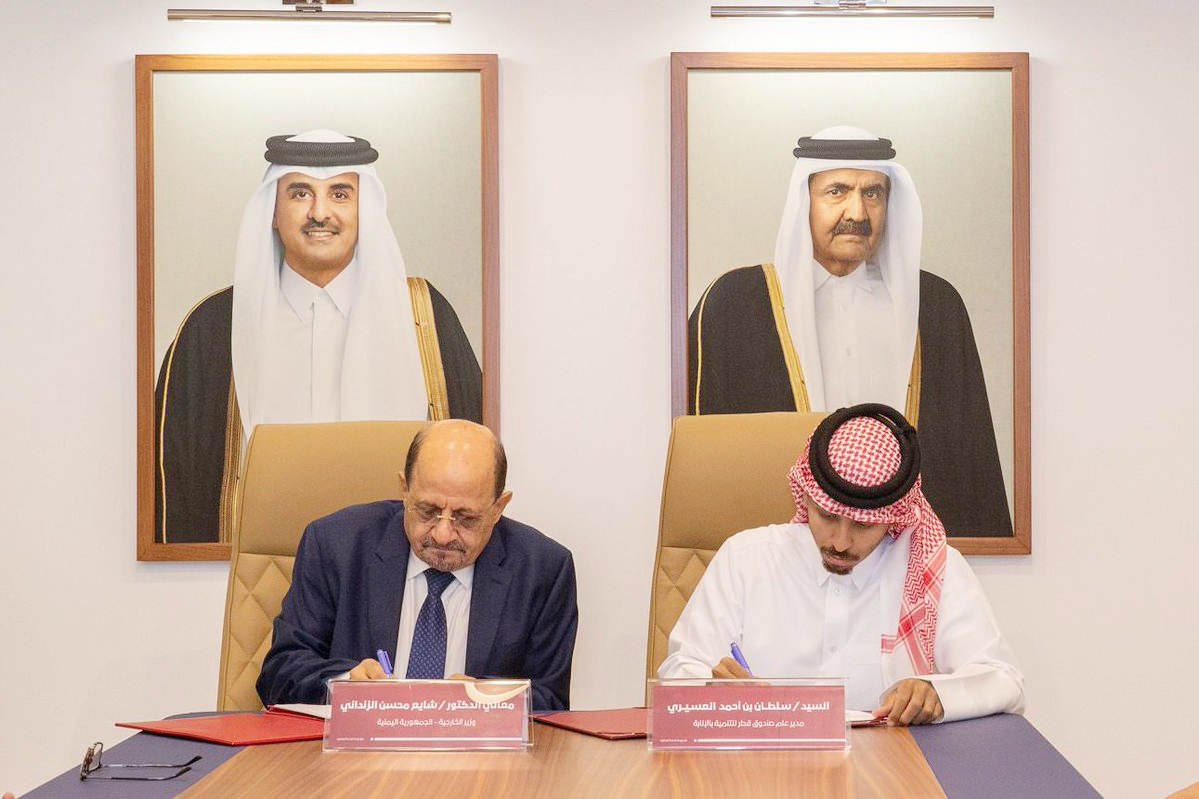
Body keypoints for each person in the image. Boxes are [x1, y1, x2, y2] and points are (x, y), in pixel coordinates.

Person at [154, 130, 482, 544]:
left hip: (395, 578)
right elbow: (171, 486)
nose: (320, 213)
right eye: (300, 193)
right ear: (272, 210)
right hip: (247, 578)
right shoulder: (213, 327)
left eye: (341, 194)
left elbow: (475, 458)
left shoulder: (425, 317)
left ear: (367, 210)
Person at [688, 126, 1011, 538]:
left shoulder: (936, 306)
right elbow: (706, 463)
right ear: (804, 202)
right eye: (837, 191)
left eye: (872, 193)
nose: (857, 214)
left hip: (908, 552)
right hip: (778, 553)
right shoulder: (734, 304)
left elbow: (973, 456)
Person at [659, 404, 1024, 726]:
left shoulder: (934, 571)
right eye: (828, 516)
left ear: (893, 517)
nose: (840, 542)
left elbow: (1003, 680)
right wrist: (712, 689)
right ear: (805, 495)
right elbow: (680, 670)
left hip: (889, 777)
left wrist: (936, 692)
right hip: (761, 773)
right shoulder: (746, 559)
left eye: (863, 525)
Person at [257, 419, 578, 712]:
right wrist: (344, 683)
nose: (442, 533)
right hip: (354, 763)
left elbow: (550, 701)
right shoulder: (336, 546)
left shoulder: (543, 569)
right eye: (427, 510)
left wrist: (487, 699)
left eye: (465, 518)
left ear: (498, 508)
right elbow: (281, 672)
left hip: (480, 766)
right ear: (405, 490)